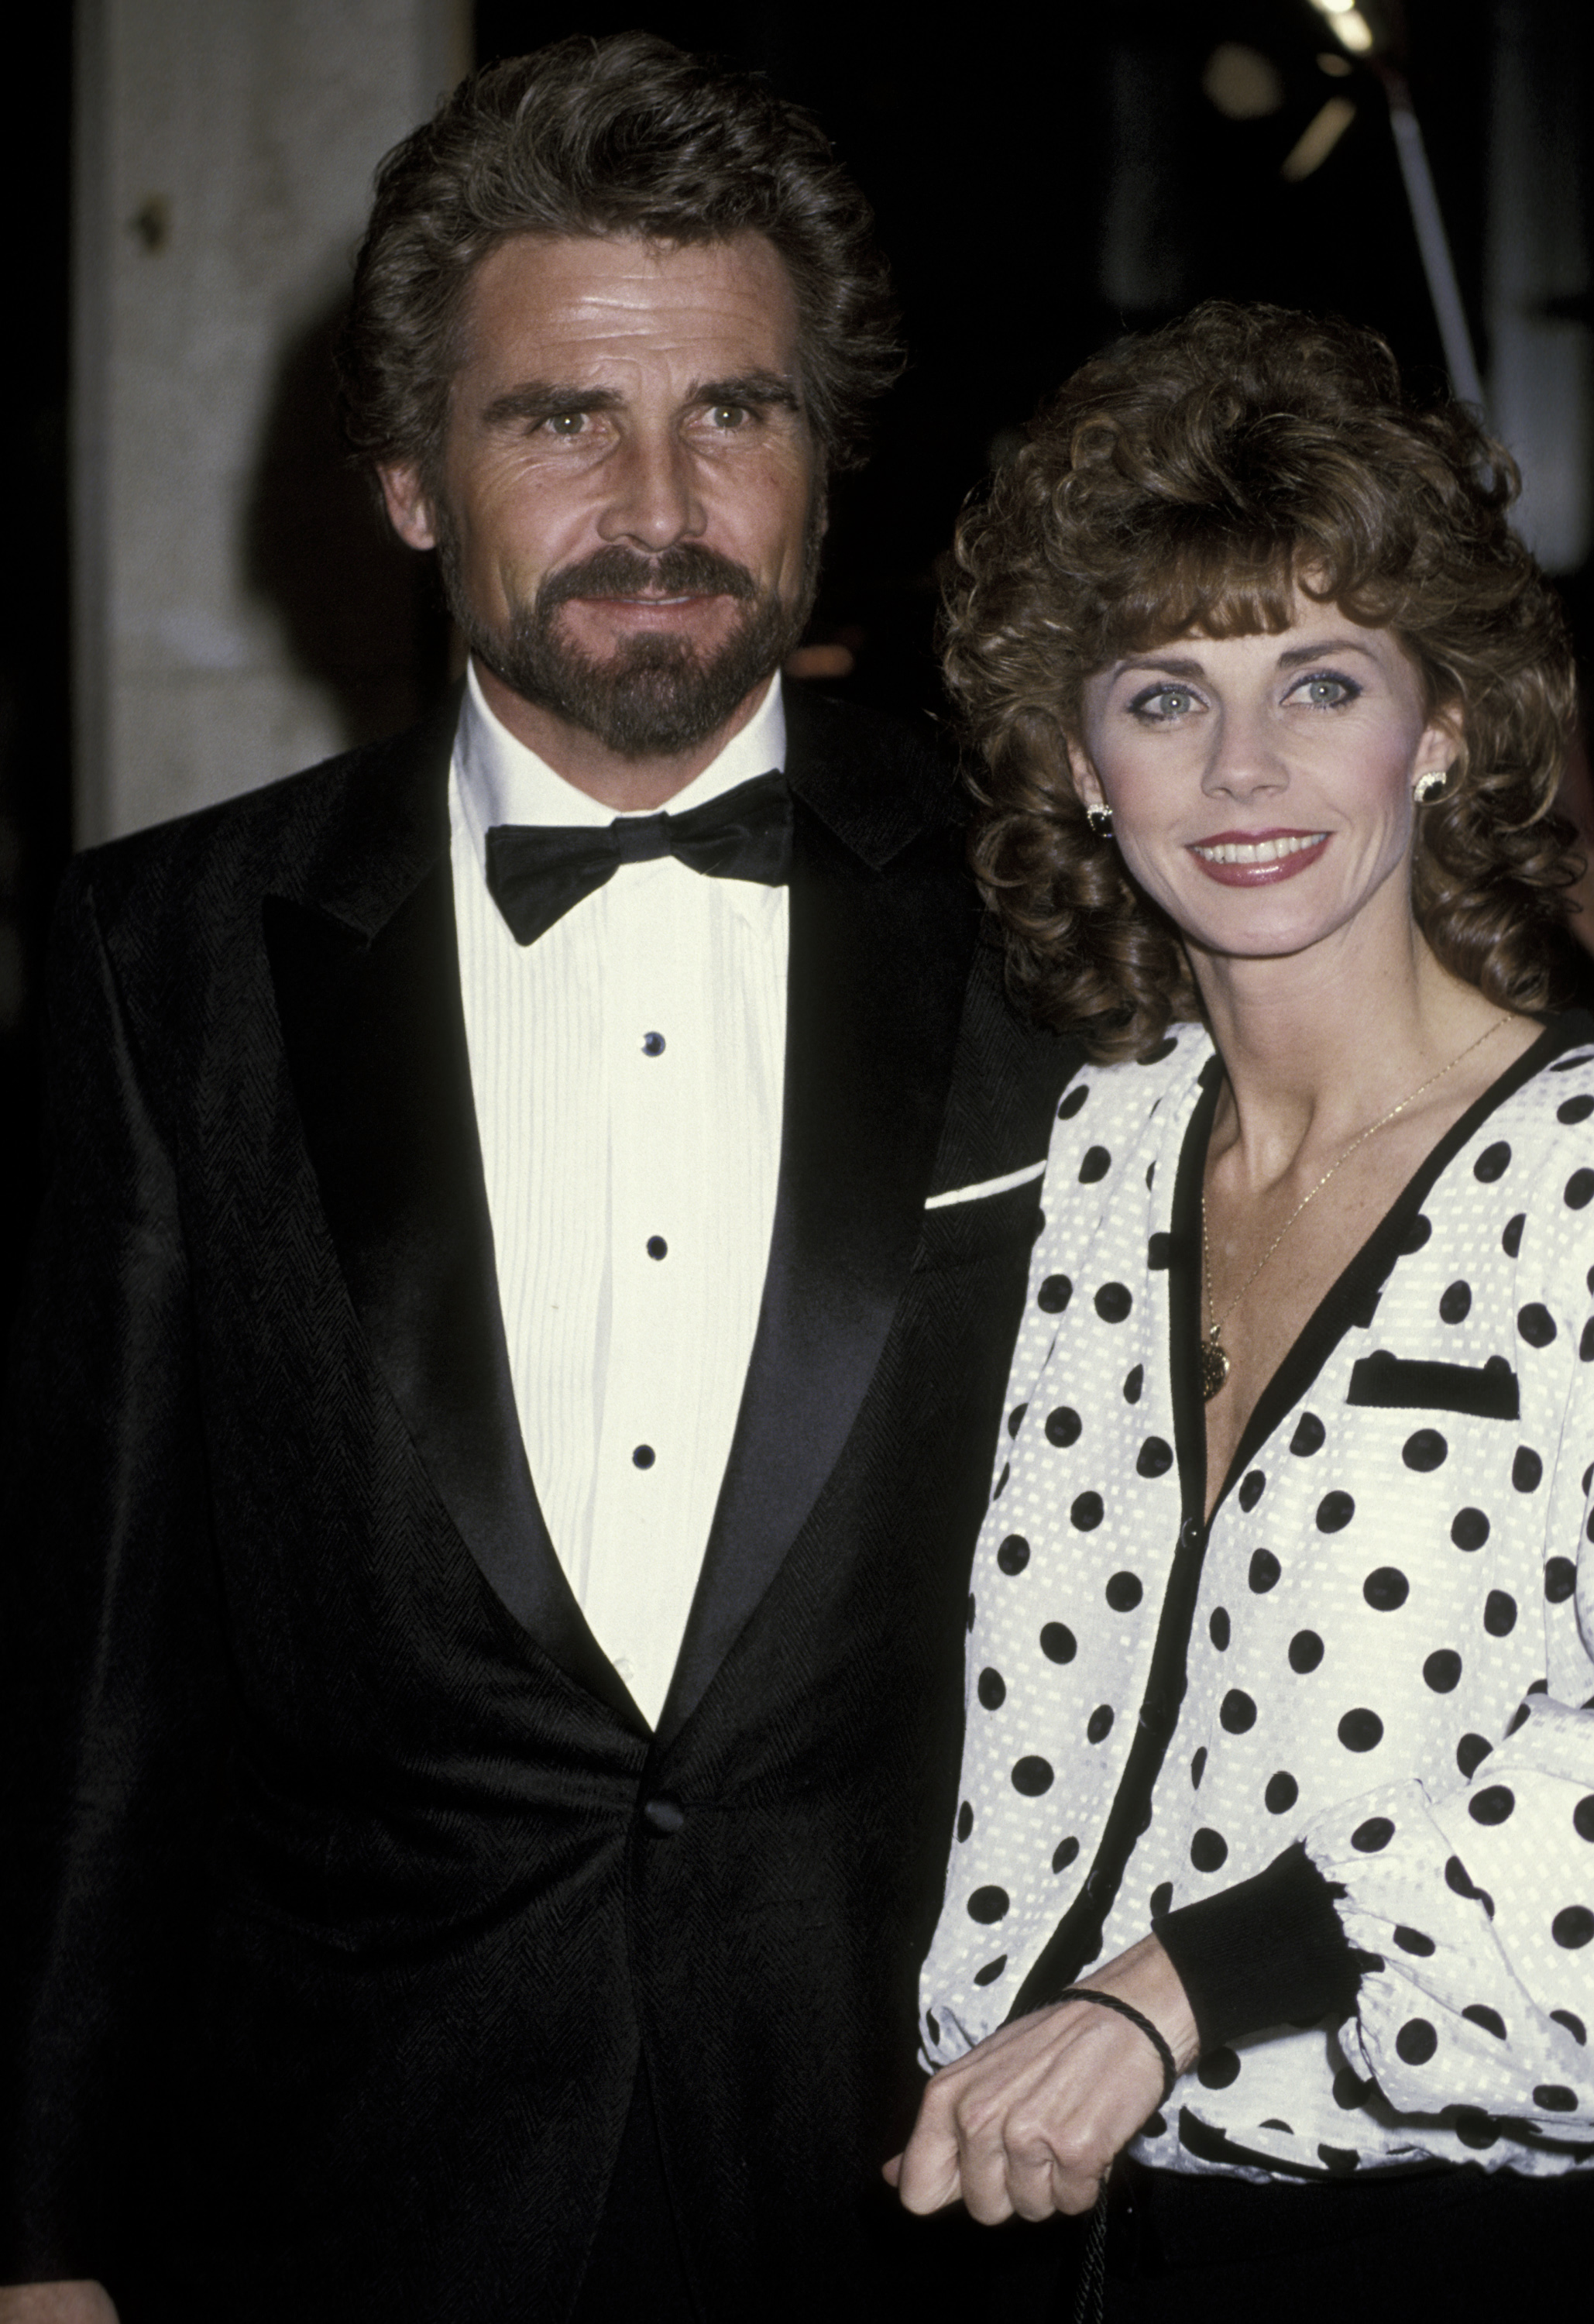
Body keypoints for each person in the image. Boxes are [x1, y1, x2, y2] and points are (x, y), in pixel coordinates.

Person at [0, 36, 1077, 2323]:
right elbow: (94, 1661)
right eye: (560, 418)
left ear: (821, 462)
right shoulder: (155, 953)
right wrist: (40, 2236)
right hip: (333, 2194)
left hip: (909, 2189)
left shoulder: (1062, 919)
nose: (659, 498)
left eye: (735, 412)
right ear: (407, 477)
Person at [891, 303, 1594, 2315]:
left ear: (1439, 717)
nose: (1247, 767)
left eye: (1315, 677)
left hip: (1454, 2246)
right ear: (1074, 754)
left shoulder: (1570, 1190)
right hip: (1029, 2250)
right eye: (1161, 695)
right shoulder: (1069, 1167)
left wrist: (1187, 1984)